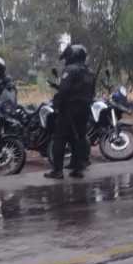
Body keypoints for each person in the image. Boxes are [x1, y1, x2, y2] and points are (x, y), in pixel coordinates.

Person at [46, 44, 96, 180]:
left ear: (72, 56)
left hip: (69, 109)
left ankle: (57, 171)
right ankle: (78, 168)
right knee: (78, 138)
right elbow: (92, 92)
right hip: (85, 109)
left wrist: (56, 104)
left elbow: (64, 90)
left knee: (59, 138)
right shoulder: (89, 72)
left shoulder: (70, 70)